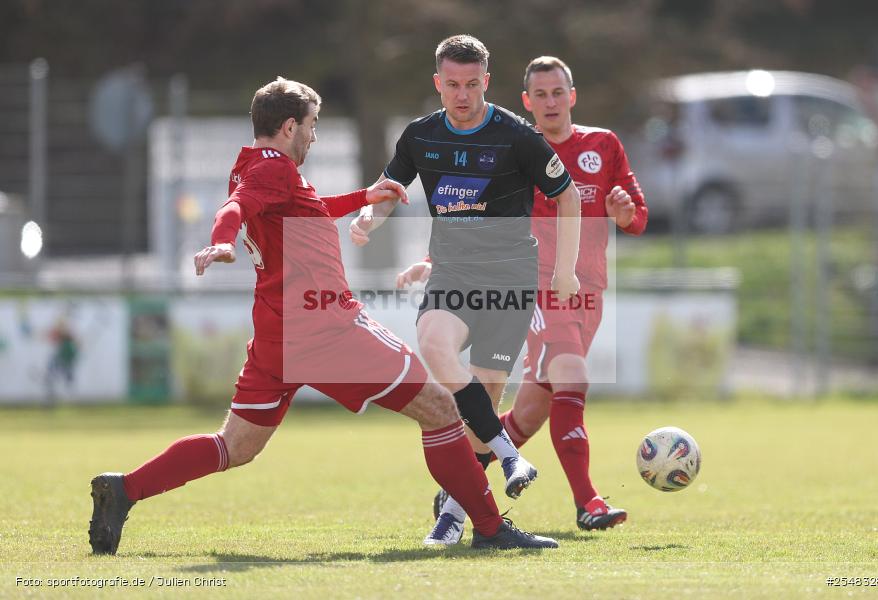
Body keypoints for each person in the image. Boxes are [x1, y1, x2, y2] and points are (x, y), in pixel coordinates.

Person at [87, 77, 558, 555]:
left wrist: (362, 198)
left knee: (235, 445)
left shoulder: (259, 165)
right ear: (290, 126)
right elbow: (236, 207)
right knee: (440, 410)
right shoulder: (271, 171)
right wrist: (222, 241)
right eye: (312, 126)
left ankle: (123, 489)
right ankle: (490, 528)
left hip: (278, 333)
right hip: (326, 330)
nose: (314, 136)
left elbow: (301, 210)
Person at [399, 56, 648, 537]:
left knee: (533, 410)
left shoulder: (604, 145)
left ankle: (457, 492)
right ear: (526, 102)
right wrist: (437, 265)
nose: (550, 102)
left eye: (558, 92)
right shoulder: (516, 150)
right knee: (573, 376)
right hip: (535, 289)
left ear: (572, 96)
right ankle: (587, 503)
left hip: (586, 293)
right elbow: (474, 222)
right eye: (541, 94)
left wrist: (623, 214)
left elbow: (637, 215)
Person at [350, 35, 583, 545]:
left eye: (472, 84)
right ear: (438, 83)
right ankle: (511, 456)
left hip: (510, 282)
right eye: (452, 85)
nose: (462, 95)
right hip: (452, 275)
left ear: (487, 82)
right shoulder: (420, 135)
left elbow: (567, 197)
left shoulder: (516, 135)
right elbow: (389, 190)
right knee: (434, 345)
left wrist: (565, 272)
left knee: (476, 410)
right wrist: (371, 214)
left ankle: (456, 517)